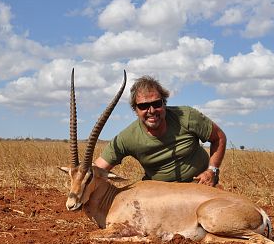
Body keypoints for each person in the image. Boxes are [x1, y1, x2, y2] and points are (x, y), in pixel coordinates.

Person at [94, 75, 226, 186]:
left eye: (156, 104)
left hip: (199, 184)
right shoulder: (127, 137)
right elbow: (97, 168)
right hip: (159, 194)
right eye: (143, 106)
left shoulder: (187, 116)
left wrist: (212, 170)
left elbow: (219, 137)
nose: (151, 111)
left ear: (164, 103)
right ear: (135, 110)